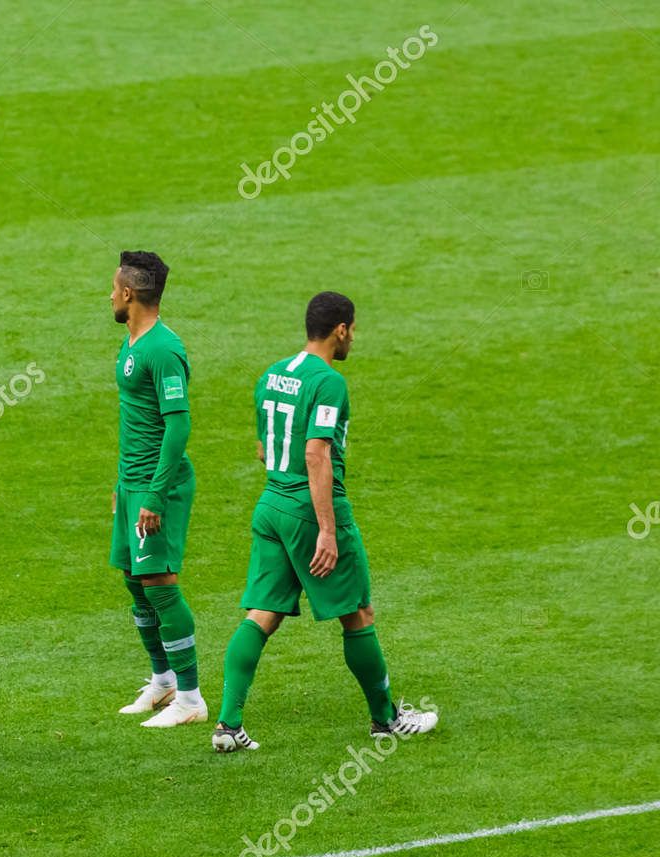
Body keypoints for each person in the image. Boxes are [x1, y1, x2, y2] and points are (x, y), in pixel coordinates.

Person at [211, 292, 439, 751]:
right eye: (353, 329)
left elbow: (263, 449)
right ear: (340, 330)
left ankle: (228, 726)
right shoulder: (329, 382)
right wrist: (327, 530)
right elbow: (316, 453)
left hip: (271, 505)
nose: (354, 337)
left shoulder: (271, 374)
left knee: (263, 614)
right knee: (358, 614)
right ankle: (385, 720)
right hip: (309, 511)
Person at [109, 250, 205, 728]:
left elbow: (178, 426)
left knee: (159, 584)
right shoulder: (131, 343)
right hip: (132, 484)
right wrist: (123, 485)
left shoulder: (163, 349)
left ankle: (190, 698)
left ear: (129, 293)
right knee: (134, 579)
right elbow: (137, 422)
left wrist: (152, 494)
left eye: (113, 288)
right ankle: (163, 679)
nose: (109, 295)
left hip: (155, 486)